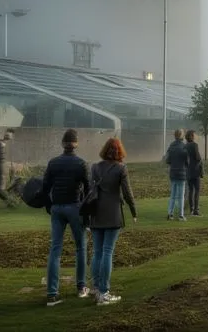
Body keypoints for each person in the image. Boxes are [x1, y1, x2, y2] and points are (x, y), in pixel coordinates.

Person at [42, 129, 90, 307]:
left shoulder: (53, 163)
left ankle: (52, 293)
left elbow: (45, 187)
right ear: (76, 144)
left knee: (55, 249)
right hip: (75, 206)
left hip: (57, 208)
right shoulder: (81, 163)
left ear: (63, 144)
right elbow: (88, 188)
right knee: (80, 248)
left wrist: (49, 206)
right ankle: (81, 287)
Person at [90, 137, 137, 305]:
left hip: (96, 214)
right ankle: (104, 292)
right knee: (107, 252)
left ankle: (95, 288)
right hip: (113, 214)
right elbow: (127, 193)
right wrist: (133, 211)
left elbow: (90, 191)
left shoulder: (94, 167)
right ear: (119, 152)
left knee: (97, 252)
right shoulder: (121, 168)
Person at [165, 129, 188, 221]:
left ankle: (170, 214)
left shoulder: (171, 146)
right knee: (181, 196)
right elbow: (187, 161)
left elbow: (167, 160)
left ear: (175, 135)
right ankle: (181, 215)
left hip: (173, 172)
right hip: (182, 172)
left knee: (173, 195)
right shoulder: (184, 147)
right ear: (182, 135)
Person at [185, 130, 204, 216]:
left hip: (188, 171)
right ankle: (196, 210)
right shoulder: (195, 145)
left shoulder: (185, 146)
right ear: (192, 136)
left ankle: (191, 209)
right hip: (195, 171)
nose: (196, 136)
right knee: (197, 190)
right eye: (194, 135)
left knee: (190, 191)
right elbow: (198, 157)